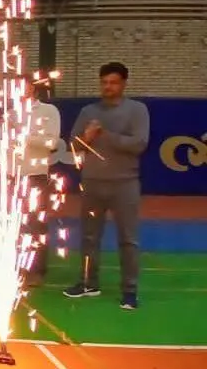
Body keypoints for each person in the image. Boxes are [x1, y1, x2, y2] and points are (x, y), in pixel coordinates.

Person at [63, 62, 150, 309]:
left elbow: (139, 144)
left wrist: (105, 135)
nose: (108, 87)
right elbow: (73, 146)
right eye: (104, 82)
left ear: (123, 84)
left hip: (125, 184)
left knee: (128, 239)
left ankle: (130, 291)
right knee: (89, 236)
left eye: (113, 82)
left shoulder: (137, 110)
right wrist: (87, 138)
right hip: (92, 183)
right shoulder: (88, 111)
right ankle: (88, 282)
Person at [22, 81, 61, 286]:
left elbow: (52, 143)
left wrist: (24, 136)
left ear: (33, 88)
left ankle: (36, 270)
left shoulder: (47, 110)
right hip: (8, 175)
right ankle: (16, 267)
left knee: (35, 225)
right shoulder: (7, 111)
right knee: (15, 225)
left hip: (35, 175)